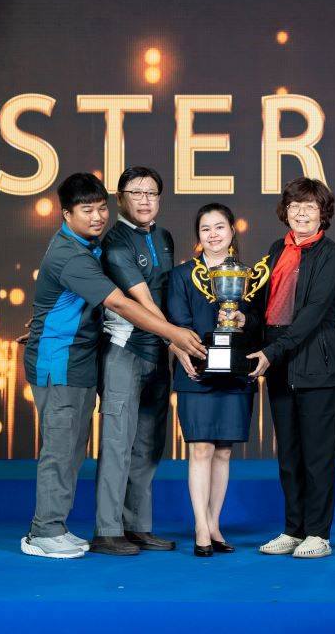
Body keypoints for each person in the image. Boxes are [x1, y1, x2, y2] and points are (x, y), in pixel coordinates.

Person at [20, 171, 205, 559]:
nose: (97, 217)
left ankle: (62, 528)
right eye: (86, 210)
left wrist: (39, 322)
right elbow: (120, 303)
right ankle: (44, 532)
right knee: (62, 449)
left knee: (75, 448)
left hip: (82, 359)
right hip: (60, 362)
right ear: (66, 214)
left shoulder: (89, 247)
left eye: (99, 208)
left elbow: (65, 302)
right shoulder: (75, 254)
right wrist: (175, 336)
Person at [244, 177, 335, 559]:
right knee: (288, 454)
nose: (301, 213)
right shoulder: (276, 250)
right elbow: (262, 305)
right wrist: (242, 320)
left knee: (317, 455)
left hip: (316, 364)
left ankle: (318, 533)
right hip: (279, 363)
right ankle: (293, 528)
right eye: (295, 205)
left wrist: (272, 351)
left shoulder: (329, 254)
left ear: (323, 213)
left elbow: (312, 314)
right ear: (285, 211)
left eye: (310, 206)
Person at [92, 165, 184, 556]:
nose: (145, 200)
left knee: (148, 444)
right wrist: (179, 341)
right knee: (117, 442)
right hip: (124, 351)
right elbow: (143, 301)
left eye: (151, 193)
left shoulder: (164, 236)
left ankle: (137, 527)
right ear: (120, 199)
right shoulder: (115, 242)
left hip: (159, 353)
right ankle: (107, 530)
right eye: (136, 193)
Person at [164, 203, 258, 557]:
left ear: (232, 231)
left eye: (220, 227)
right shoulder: (182, 275)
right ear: (198, 236)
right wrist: (190, 354)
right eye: (206, 229)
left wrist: (243, 321)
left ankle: (215, 523)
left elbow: (259, 324)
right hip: (197, 370)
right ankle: (200, 527)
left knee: (224, 451)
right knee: (200, 448)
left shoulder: (248, 277)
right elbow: (179, 322)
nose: (213, 235)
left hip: (235, 373)